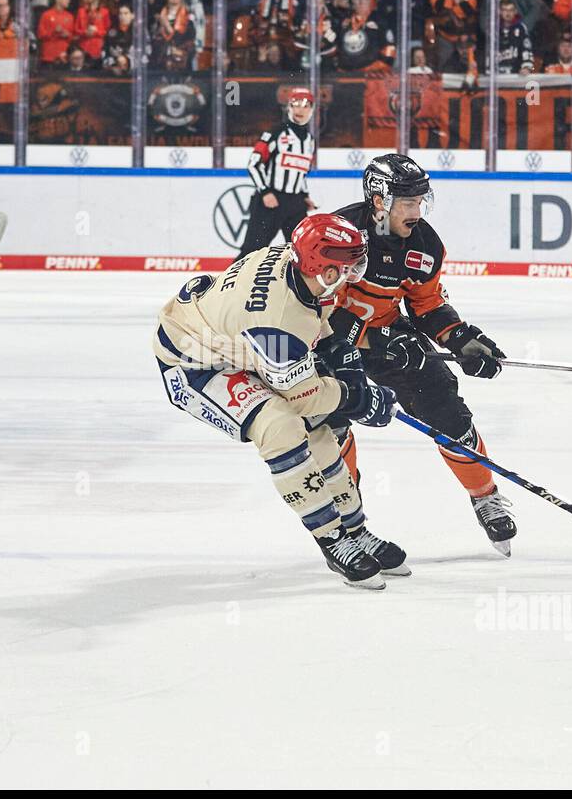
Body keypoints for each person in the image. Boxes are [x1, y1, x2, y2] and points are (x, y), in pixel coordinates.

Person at [152, 213, 404, 588]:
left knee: (320, 430)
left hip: (235, 341)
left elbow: (314, 318)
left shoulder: (294, 265)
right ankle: (331, 538)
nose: (353, 275)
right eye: (346, 268)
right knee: (283, 426)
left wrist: (339, 351)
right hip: (194, 363)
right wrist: (359, 399)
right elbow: (306, 399)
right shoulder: (276, 325)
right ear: (323, 269)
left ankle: (354, 529)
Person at [329, 154, 517, 557]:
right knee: (330, 424)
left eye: (420, 201)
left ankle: (483, 495)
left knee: (446, 407)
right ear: (379, 201)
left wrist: (461, 338)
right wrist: (376, 343)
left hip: (386, 333)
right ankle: (345, 520)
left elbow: (426, 304)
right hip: (326, 345)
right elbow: (318, 313)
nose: (417, 211)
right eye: (407, 203)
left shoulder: (425, 244)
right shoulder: (341, 235)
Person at [239, 87, 317, 258]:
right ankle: (229, 284)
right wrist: (265, 192)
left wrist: (304, 195)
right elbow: (253, 164)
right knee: (252, 251)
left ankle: (295, 285)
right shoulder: (275, 133)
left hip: (295, 204)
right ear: (288, 107)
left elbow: (300, 171)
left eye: (305, 106)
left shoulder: (310, 140)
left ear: (312, 110)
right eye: (296, 104)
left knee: (302, 251)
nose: (300, 110)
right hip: (271, 201)